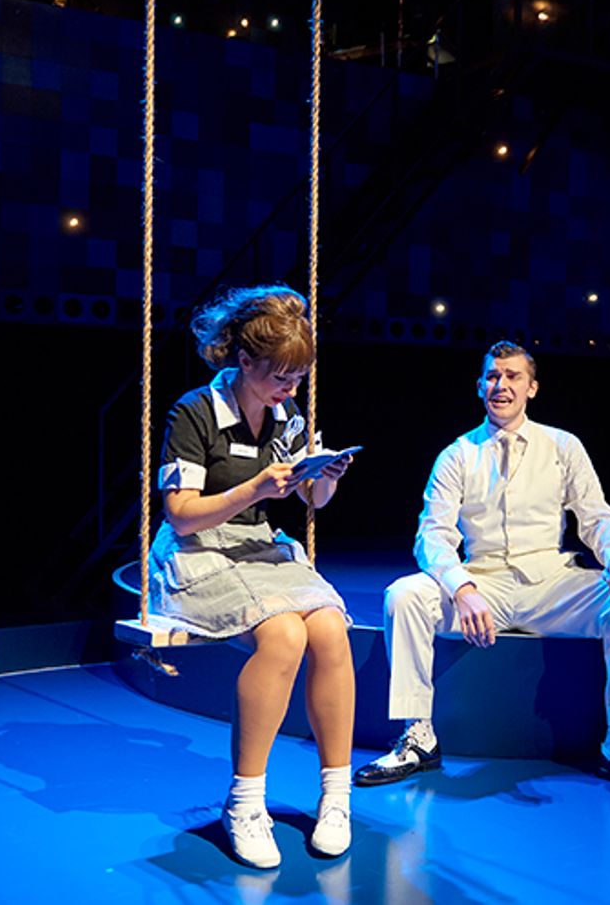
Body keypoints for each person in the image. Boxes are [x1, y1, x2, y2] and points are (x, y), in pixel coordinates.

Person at [353, 341, 610, 800]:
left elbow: (595, 515)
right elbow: (432, 535)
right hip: (482, 585)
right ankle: (418, 737)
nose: (500, 385)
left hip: (551, 584)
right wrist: (462, 588)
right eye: (492, 376)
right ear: (479, 386)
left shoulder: (563, 446)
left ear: (532, 387)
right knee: (404, 595)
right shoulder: (457, 454)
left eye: (511, 376)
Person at [147, 284, 356, 868]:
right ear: (244, 361)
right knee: (284, 633)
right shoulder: (194, 412)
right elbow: (182, 515)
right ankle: (243, 803)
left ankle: (336, 797)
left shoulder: (287, 414)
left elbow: (312, 500)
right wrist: (256, 488)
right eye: (282, 377)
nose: (292, 389)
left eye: (298, 378)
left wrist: (326, 475)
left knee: (330, 628)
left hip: (258, 549)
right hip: (198, 551)